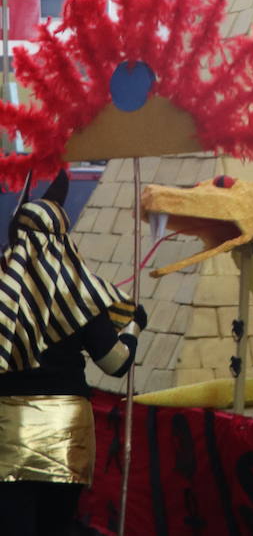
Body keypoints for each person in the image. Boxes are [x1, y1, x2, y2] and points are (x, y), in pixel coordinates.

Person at [0, 172, 145, 535]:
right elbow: (115, 363)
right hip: (66, 427)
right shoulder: (81, 295)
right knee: (56, 525)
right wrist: (133, 327)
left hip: (6, 426)